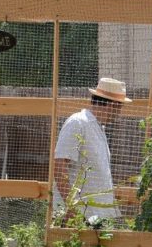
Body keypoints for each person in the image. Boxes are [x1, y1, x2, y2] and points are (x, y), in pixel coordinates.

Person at [52, 77, 132, 224]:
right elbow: (59, 166)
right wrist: (71, 208)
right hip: (78, 216)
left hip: (95, 216)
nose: (120, 112)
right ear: (113, 105)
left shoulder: (98, 127)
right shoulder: (78, 123)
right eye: (120, 107)